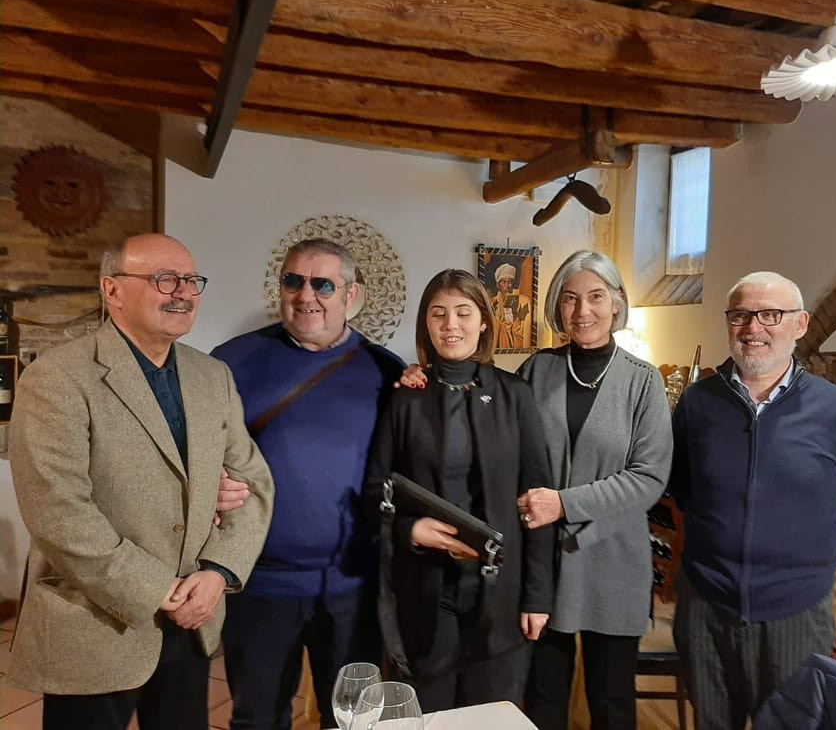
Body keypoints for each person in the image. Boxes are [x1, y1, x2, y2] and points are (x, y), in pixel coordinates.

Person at [8, 233, 275, 730]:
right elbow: (57, 512)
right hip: (96, 620)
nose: (183, 292)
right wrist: (162, 590)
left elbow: (253, 482)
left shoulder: (211, 375)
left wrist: (218, 572)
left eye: (192, 281)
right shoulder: (58, 377)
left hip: (193, 616)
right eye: (163, 279)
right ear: (112, 290)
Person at [668, 271, 836, 730]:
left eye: (770, 314)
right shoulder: (697, 403)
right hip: (707, 607)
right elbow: (683, 489)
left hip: (797, 613)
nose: (753, 328)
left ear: (800, 324)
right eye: (741, 315)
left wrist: (800, 554)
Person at [211, 238, 404, 730]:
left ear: (351, 295)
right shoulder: (231, 361)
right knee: (258, 718)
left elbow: (409, 469)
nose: (306, 295)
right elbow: (193, 455)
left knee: (353, 722)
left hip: (352, 586)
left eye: (323, 284)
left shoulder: (387, 371)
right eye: (293, 281)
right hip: (258, 586)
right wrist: (206, 487)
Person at [364, 269, 554, 712]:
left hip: (501, 591)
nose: (451, 325)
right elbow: (376, 489)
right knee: (429, 712)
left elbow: (537, 503)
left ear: (484, 321)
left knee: (492, 714)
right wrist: (411, 530)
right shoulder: (405, 397)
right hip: (426, 588)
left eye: (463, 312)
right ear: (426, 324)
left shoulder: (516, 395)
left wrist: (538, 597)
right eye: (439, 314)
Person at [515, 250, 672, 730]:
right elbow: (502, 436)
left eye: (596, 297)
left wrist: (564, 503)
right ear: (557, 308)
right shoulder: (535, 371)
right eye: (570, 298)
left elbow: (648, 478)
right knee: (542, 698)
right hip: (544, 562)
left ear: (617, 303)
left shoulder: (644, 382)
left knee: (611, 703)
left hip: (614, 559)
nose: (583, 311)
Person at [491, 262, 532, 349]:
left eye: (509, 282)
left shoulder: (523, 301)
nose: (507, 286)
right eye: (503, 282)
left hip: (517, 347)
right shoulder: (492, 302)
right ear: (498, 285)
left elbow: (526, 326)